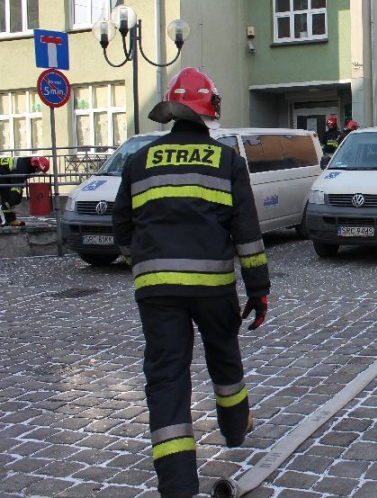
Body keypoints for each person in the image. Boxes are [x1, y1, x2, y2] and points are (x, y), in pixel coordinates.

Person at [112, 67, 270, 497]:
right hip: (213, 287)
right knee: (224, 356)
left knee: (166, 379)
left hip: (157, 289)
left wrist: (138, 263)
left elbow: (121, 224)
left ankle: (178, 485)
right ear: (209, 112)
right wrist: (257, 289)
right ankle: (235, 429)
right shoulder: (227, 161)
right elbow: (247, 233)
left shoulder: (139, 160)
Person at [0, 155, 50, 226]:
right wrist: (15, 198)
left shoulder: (26, 163)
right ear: (35, 165)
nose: (38, 172)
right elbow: (17, 183)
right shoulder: (21, 167)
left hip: (4, 174)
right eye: (38, 170)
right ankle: (4, 215)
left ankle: (10, 219)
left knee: (11, 197)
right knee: (12, 198)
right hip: (3, 175)